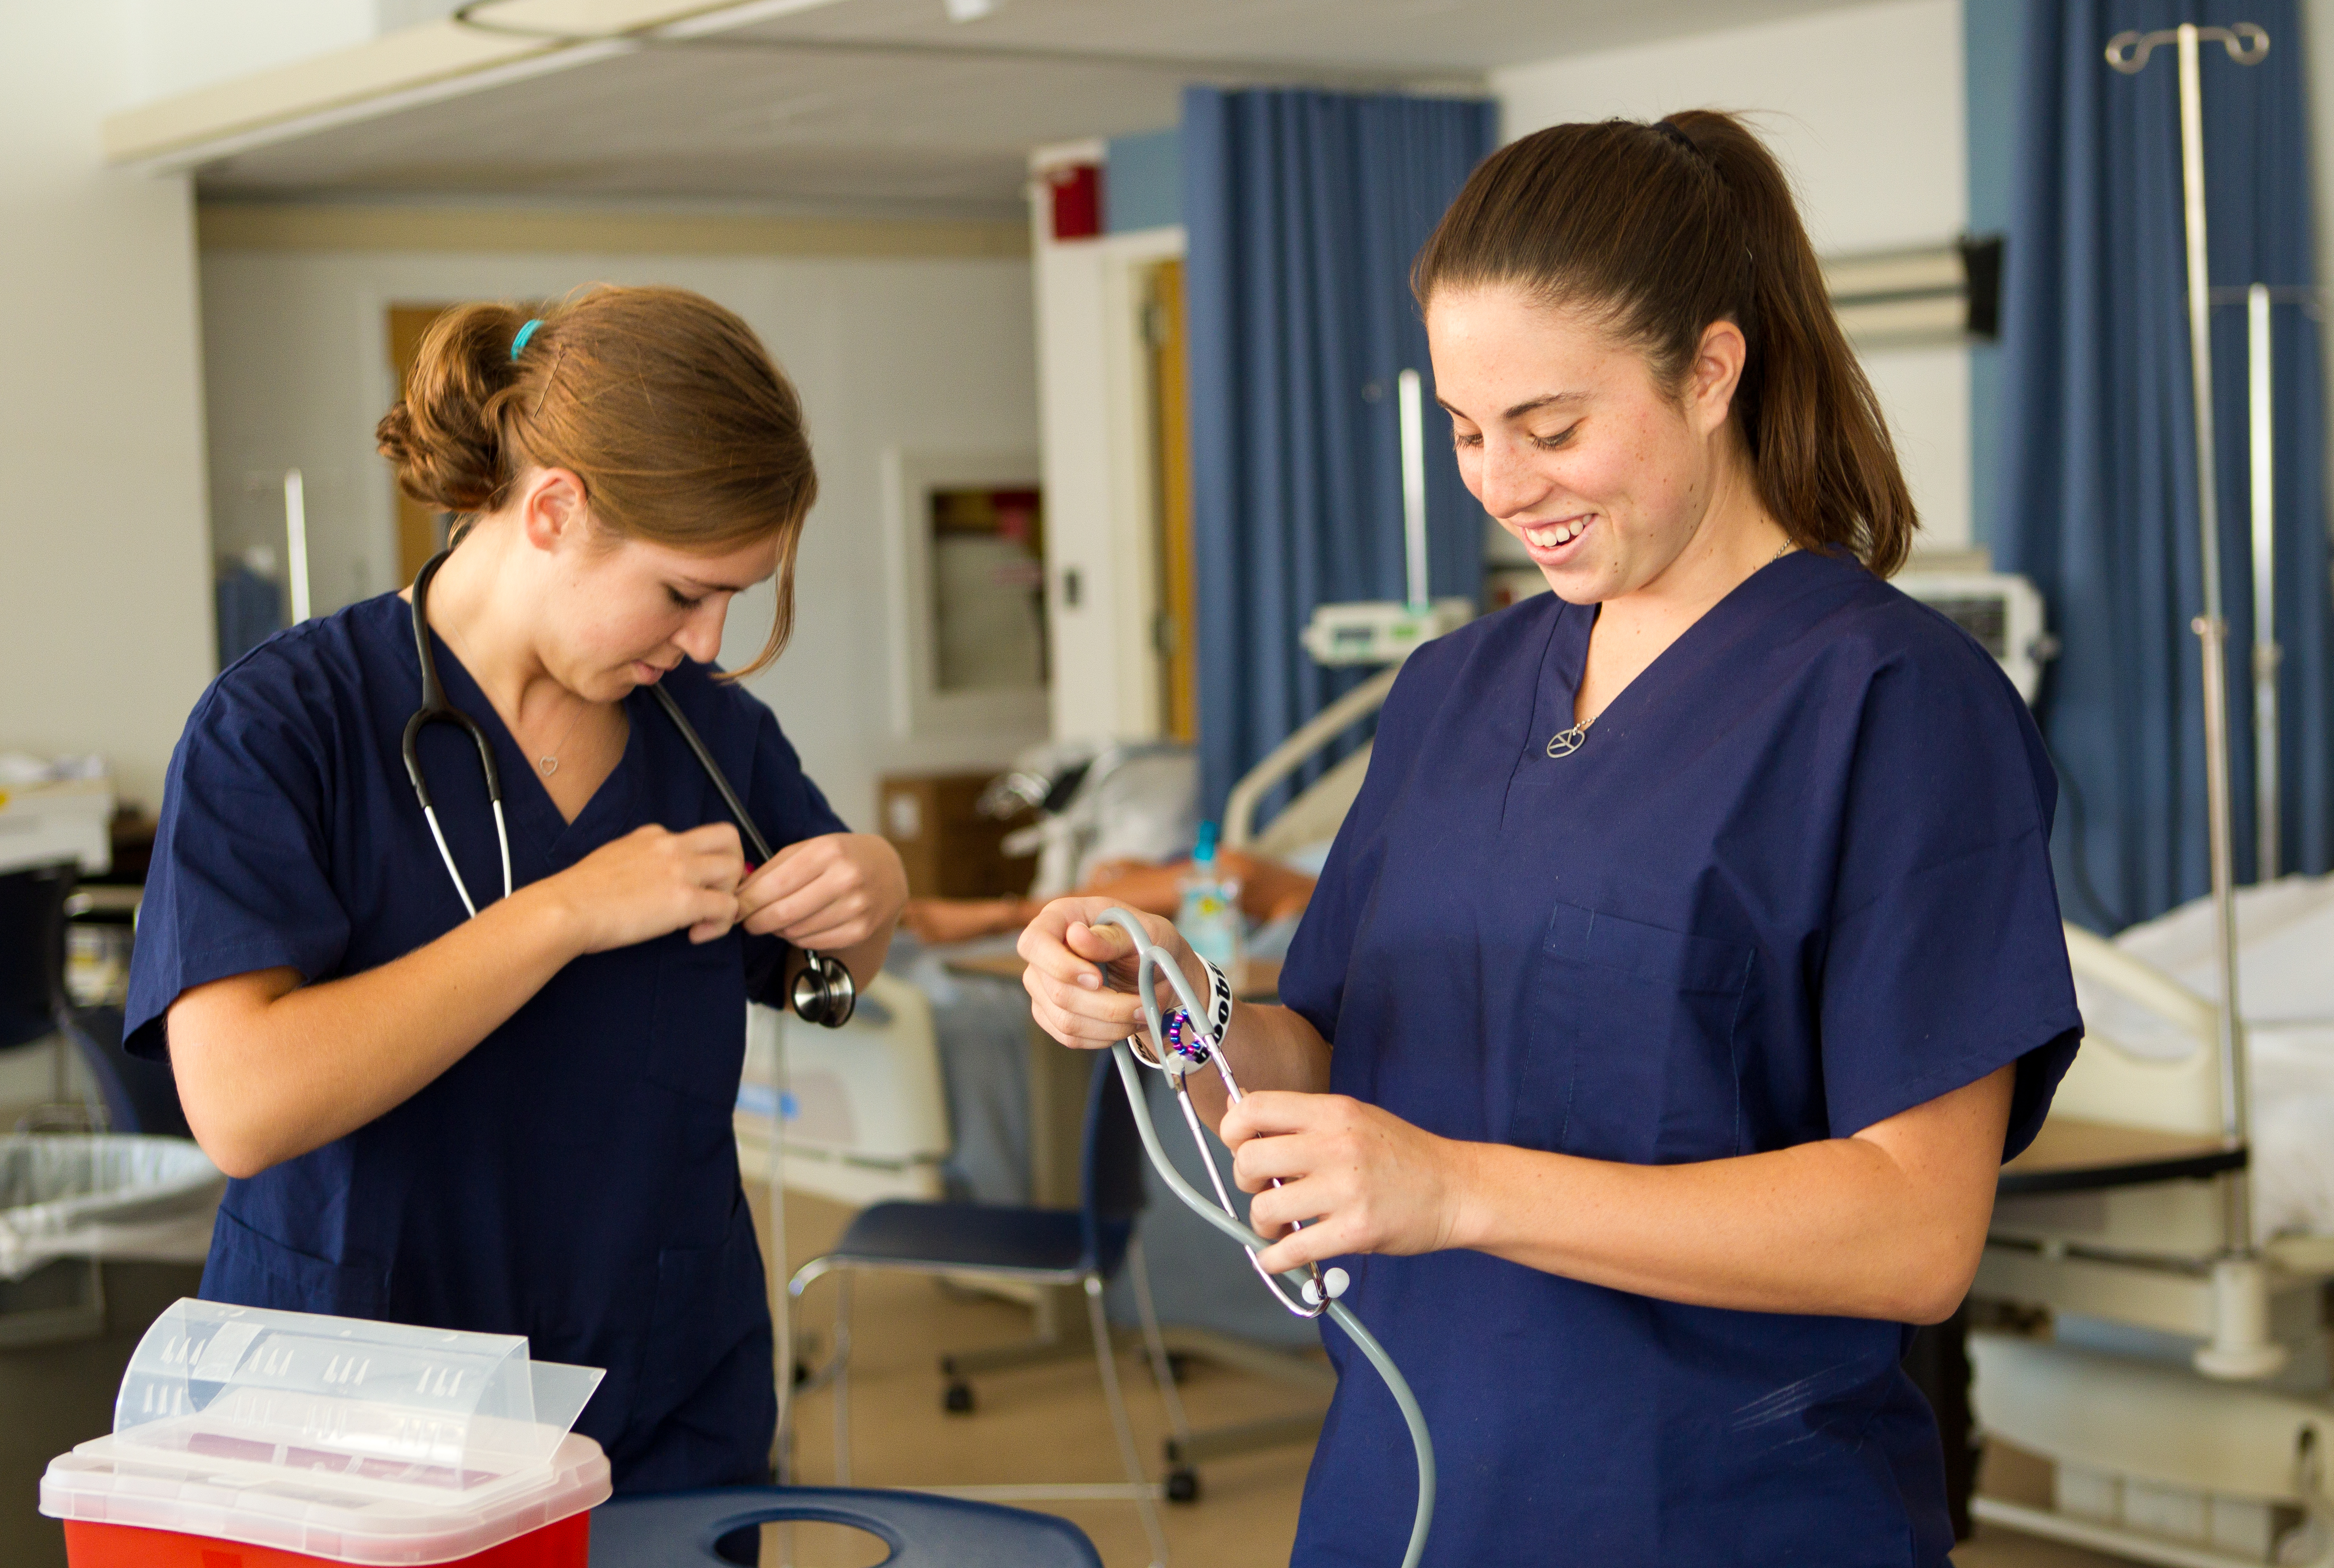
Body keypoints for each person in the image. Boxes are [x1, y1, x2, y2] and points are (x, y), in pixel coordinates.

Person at [1018, 111, 2080, 1566]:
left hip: (1716, 1514)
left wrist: (1454, 1187)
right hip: (1408, 1484)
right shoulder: (1458, 689)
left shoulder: (1891, 704)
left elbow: (1914, 1228)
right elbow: (1335, 1058)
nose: (1503, 486)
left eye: (1553, 426)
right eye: (1466, 430)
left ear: (1713, 369)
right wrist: (1180, 1017)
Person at [125, 286, 907, 1493]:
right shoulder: (284, 726)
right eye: (684, 592)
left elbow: (818, 978)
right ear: (553, 510)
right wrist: (565, 912)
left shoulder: (707, 736)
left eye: (734, 599)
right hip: (357, 1402)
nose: (706, 643)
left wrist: (874, 895)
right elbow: (243, 1103)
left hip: (654, 1396)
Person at [902, 846, 1318, 945]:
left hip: (1300, 897)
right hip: (1257, 905)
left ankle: (1015, 913)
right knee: (1117, 873)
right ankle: (1022, 913)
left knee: (1230, 869)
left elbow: (1236, 873)